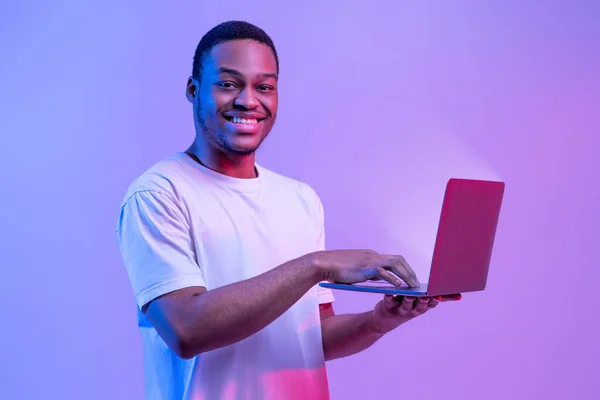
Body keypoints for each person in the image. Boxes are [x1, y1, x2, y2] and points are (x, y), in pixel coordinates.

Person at [116, 20, 461, 400]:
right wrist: (317, 264)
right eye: (228, 84)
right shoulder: (158, 194)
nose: (249, 100)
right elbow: (185, 330)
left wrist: (379, 321)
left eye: (264, 87)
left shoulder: (300, 199)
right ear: (193, 90)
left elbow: (312, 340)